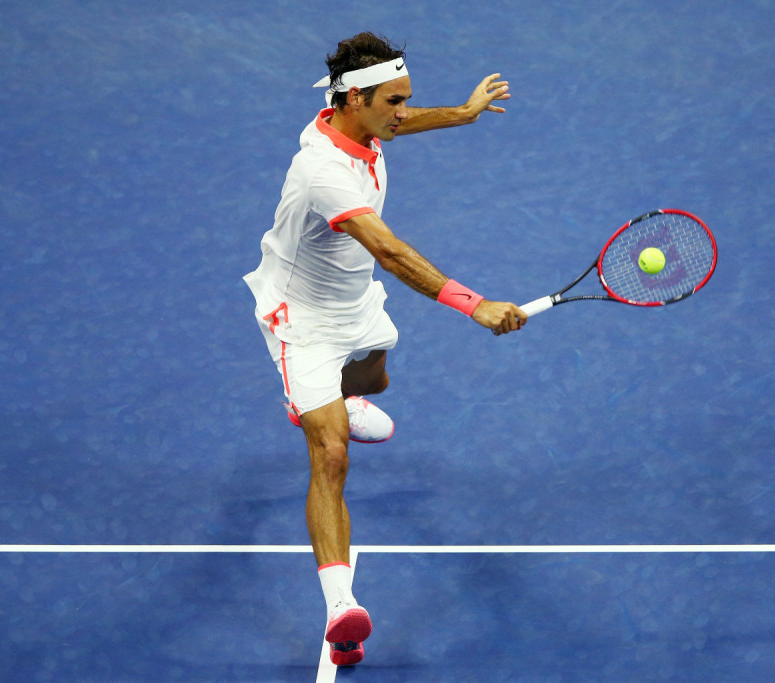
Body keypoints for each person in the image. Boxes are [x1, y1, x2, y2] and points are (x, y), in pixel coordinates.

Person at [243, 32, 527, 666]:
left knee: (375, 383)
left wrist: (462, 112)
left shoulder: (364, 124)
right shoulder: (323, 171)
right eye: (393, 102)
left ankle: (322, 402)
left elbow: (402, 128)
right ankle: (341, 606)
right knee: (331, 452)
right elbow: (392, 253)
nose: (401, 113)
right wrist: (474, 304)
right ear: (354, 99)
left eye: (406, 101)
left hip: (355, 304)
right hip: (303, 321)